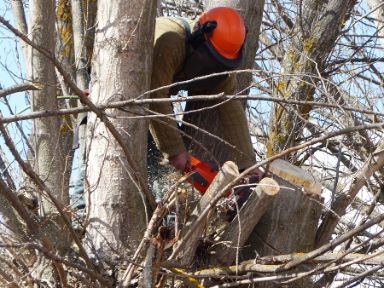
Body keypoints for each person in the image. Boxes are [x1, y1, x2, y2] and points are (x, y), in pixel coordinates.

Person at [149, 7, 262, 178]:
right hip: (126, 92)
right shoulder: (171, 42)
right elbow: (154, 96)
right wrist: (174, 149)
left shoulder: (220, 67)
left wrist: (247, 164)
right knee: (150, 153)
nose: (211, 68)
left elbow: (230, 107)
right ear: (199, 37)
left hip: (155, 91)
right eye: (210, 59)